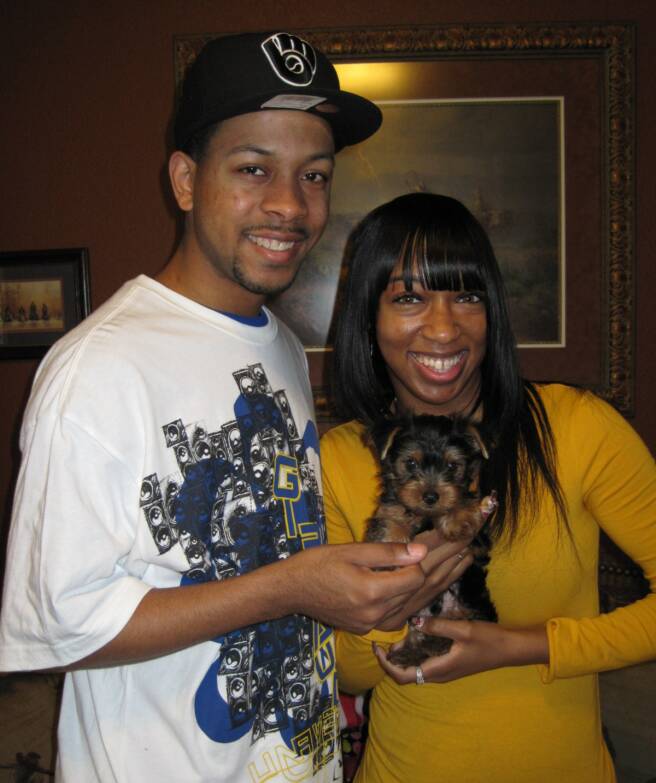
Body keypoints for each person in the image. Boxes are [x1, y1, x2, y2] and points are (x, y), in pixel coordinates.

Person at [0, 33, 433, 783]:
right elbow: (61, 624)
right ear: (185, 180)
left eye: (314, 174)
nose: (289, 205)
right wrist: (293, 586)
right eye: (253, 169)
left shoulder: (283, 346)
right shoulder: (98, 368)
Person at [320, 192, 656, 783]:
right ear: (368, 319)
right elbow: (349, 673)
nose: (444, 327)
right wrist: (401, 597)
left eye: (467, 296)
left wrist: (518, 646)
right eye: (408, 298)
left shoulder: (576, 427)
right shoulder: (341, 456)